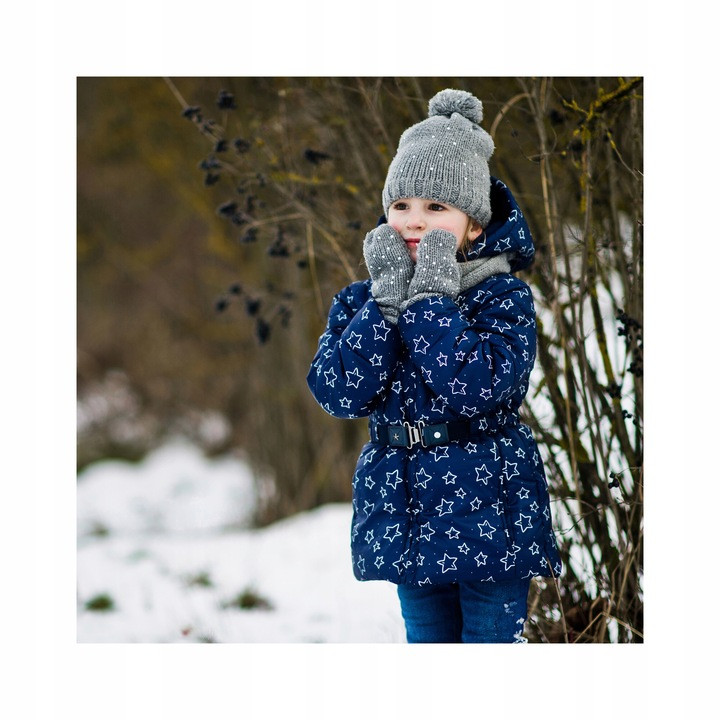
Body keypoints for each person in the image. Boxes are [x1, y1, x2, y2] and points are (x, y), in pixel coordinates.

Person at [306, 88, 562, 643]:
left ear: (474, 225)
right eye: (401, 206)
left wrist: (429, 303)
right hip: (405, 515)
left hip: (489, 514)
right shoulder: (363, 301)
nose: (414, 221)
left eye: (436, 208)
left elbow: (479, 386)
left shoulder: (501, 298)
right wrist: (385, 306)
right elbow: (338, 392)